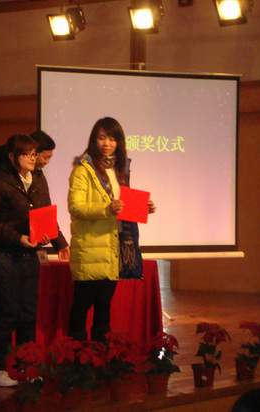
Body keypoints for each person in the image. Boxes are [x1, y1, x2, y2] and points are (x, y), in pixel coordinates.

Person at [67, 117, 156, 342]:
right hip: (90, 248)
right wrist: (107, 209)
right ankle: (75, 355)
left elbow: (122, 206)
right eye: (102, 138)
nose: (107, 143)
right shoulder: (83, 170)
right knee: (81, 306)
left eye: (112, 139)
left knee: (104, 307)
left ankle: (100, 355)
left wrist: (142, 208)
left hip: (112, 247)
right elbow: (76, 207)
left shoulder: (119, 170)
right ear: (94, 140)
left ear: (119, 142)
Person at [0, 134, 52, 387]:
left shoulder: (38, 179)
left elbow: (45, 213)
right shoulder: (0, 183)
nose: (32, 158)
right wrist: (18, 237)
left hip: (29, 255)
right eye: (26, 154)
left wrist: (58, 241)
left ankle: (26, 366)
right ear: (13, 157)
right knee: (8, 313)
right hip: (4, 255)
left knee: (28, 313)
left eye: (34, 153)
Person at [30, 130, 70, 261]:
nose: (47, 162)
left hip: (34, 245)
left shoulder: (39, 175)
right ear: (33, 153)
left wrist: (61, 244)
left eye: (50, 158)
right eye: (45, 157)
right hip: (19, 248)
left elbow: (46, 211)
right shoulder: (12, 178)